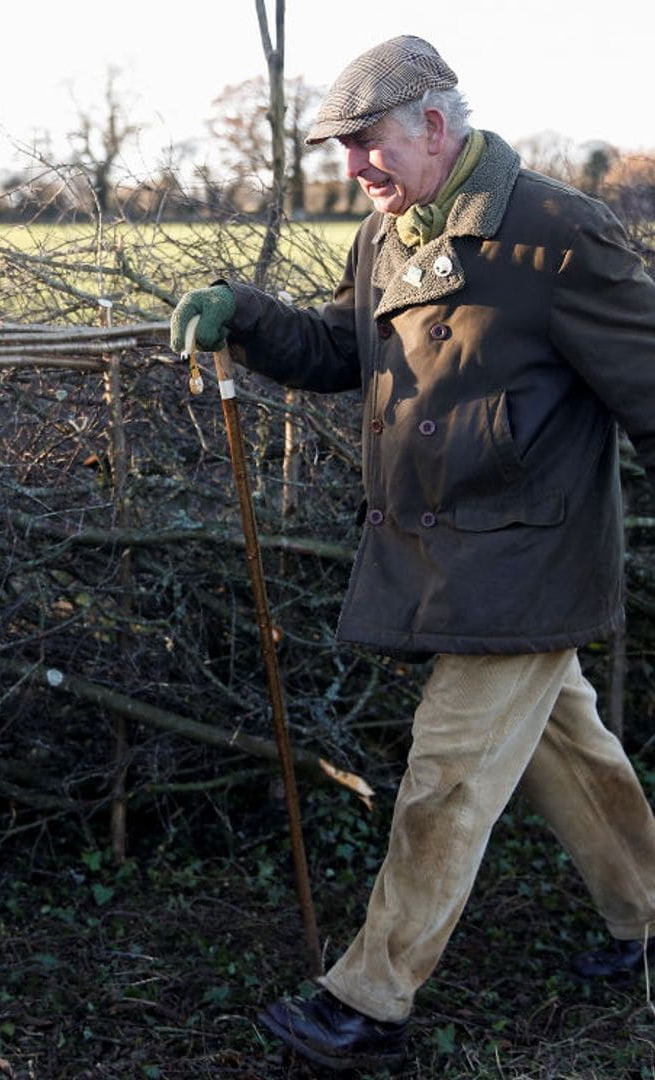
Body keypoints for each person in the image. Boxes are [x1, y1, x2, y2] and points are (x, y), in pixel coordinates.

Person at [169, 34, 655, 1073]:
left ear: (437, 123)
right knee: (574, 751)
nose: (355, 169)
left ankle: (368, 1001)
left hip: (530, 563)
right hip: (447, 561)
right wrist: (245, 316)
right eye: (344, 150)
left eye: (367, 143)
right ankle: (650, 912)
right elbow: (345, 352)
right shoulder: (388, 235)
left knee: (445, 781)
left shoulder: (558, 230)